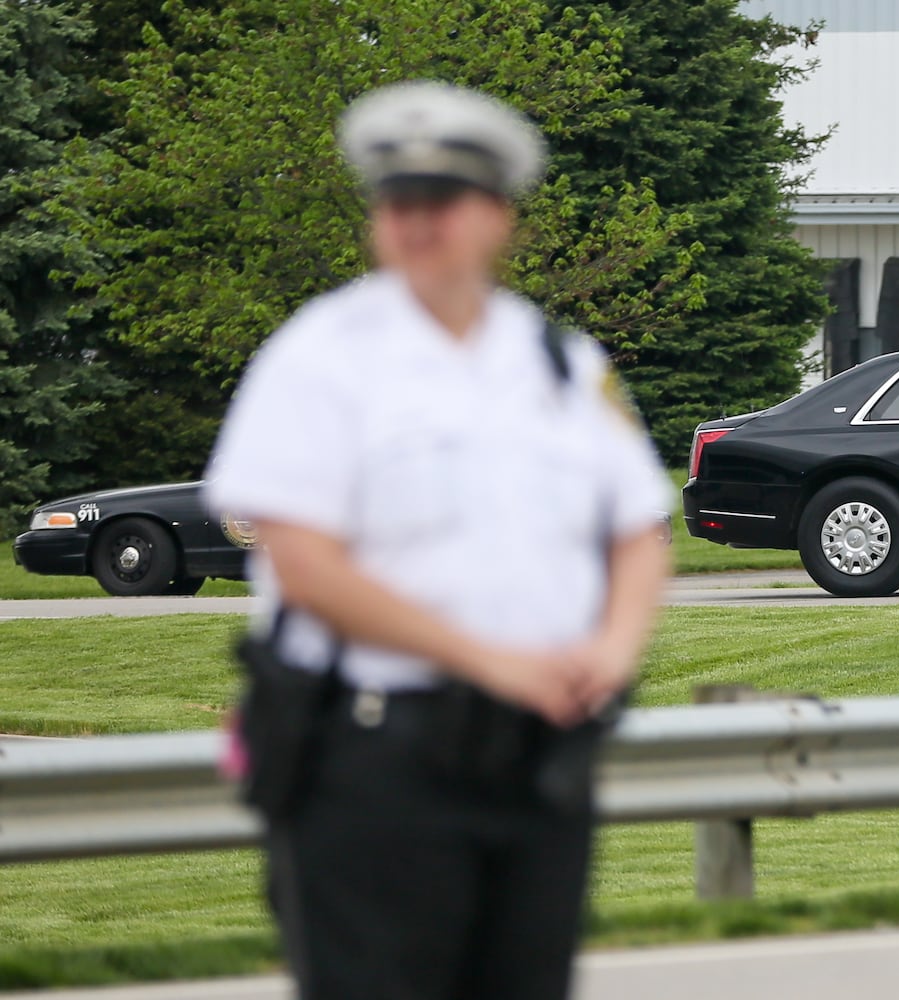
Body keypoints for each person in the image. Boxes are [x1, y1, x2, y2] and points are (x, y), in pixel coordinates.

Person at [205, 81, 669, 1000]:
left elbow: (640, 529)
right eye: (396, 202)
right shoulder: (321, 355)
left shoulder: (560, 364)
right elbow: (303, 564)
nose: (416, 222)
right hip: (374, 757)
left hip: (538, 752)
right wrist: (490, 662)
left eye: (441, 201)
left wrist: (611, 653)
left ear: (498, 216)